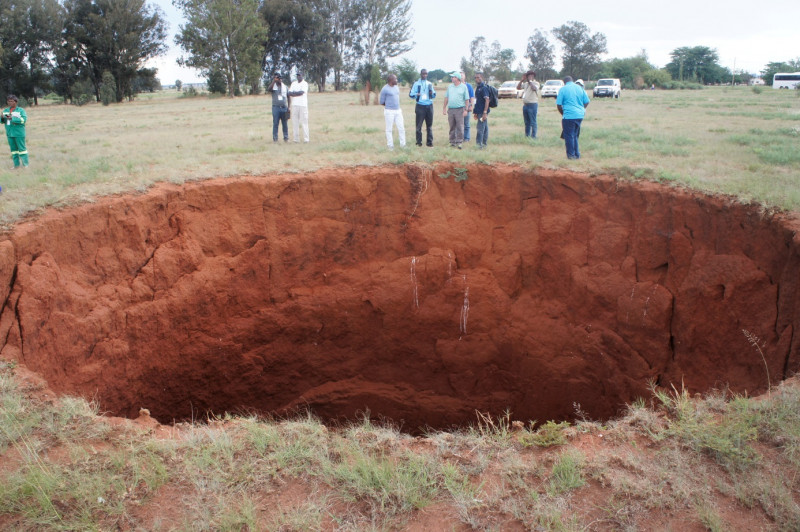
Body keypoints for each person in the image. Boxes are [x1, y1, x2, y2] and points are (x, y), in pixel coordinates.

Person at [556, 76, 590, 160]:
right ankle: (577, 155)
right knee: (574, 135)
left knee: (569, 136)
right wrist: (581, 109)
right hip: (579, 115)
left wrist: (564, 114)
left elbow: (559, 105)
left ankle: (571, 156)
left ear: (564, 82)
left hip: (569, 116)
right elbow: (587, 101)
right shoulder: (579, 88)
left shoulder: (563, 89)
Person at [408, 68, 436, 147]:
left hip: (429, 105)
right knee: (418, 126)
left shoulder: (429, 83)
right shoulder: (416, 83)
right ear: (420, 74)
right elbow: (411, 94)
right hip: (420, 106)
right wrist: (417, 94)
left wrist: (431, 93)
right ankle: (418, 142)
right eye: (423, 74)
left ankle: (429, 142)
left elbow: (434, 95)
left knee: (429, 125)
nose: (424, 75)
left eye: (426, 74)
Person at [442, 72, 469, 149]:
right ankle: (452, 142)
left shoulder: (463, 87)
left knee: (460, 126)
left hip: (460, 109)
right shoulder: (450, 87)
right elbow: (446, 97)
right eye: (452, 77)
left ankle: (459, 142)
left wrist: (466, 109)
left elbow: (467, 99)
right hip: (451, 109)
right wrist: (444, 108)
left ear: (457, 78)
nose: (452, 78)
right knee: (452, 126)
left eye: (453, 77)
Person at [378, 74, 406, 150]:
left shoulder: (396, 87)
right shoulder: (385, 89)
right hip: (389, 111)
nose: (397, 80)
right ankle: (390, 146)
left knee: (401, 128)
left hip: (398, 110)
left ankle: (403, 145)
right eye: (395, 79)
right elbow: (381, 102)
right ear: (391, 80)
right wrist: (389, 106)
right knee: (389, 129)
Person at [2, 95, 28, 169]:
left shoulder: (21, 110)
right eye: (8, 101)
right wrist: (1, 118)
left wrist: (12, 118)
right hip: (10, 133)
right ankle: (16, 165)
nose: (10, 103)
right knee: (14, 151)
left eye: (12, 101)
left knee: (22, 150)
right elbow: (3, 121)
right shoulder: (5, 111)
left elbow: (23, 120)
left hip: (19, 133)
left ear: (15, 102)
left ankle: (25, 165)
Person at [517, 70, 540, 138]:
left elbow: (534, 89)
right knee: (527, 122)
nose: (529, 77)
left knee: (533, 122)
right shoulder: (526, 84)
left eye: (531, 75)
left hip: (532, 105)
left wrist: (530, 81)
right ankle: (527, 136)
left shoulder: (536, 83)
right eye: (528, 76)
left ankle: (534, 136)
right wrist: (522, 80)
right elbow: (518, 87)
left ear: (533, 76)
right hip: (526, 105)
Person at [288, 72, 309, 143]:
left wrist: (294, 94)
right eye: (297, 75)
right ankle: (296, 139)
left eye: (300, 75)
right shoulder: (293, 83)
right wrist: (296, 94)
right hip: (294, 105)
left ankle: (306, 139)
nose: (298, 77)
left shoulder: (305, 83)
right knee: (295, 122)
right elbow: (289, 93)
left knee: (304, 122)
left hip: (303, 105)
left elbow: (302, 92)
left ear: (302, 76)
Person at [267, 73, 289, 143]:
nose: (279, 80)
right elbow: (269, 89)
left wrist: (289, 107)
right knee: (275, 123)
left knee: (285, 124)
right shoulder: (273, 87)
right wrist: (274, 81)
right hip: (276, 108)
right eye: (278, 78)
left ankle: (286, 138)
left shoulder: (285, 87)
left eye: (280, 78)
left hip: (284, 107)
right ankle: (275, 139)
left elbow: (288, 97)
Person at [473, 72, 491, 149]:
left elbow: (487, 100)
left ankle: (479, 145)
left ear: (482, 78)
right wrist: (475, 111)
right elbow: (477, 100)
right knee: (485, 128)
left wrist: (485, 112)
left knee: (480, 129)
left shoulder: (484, 88)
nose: (477, 79)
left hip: (483, 111)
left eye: (478, 77)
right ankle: (484, 144)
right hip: (479, 111)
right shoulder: (478, 88)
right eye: (476, 77)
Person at [461, 71, 475, 142]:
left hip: (467, 106)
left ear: (465, 76)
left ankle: (466, 138)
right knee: (459, 123)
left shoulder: (468, 86)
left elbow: (472, 96)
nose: (461, 76)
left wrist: (471, 105)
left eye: (462, 75)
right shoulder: (456, 85)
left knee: (466, 123)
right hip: (459, 106)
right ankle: (459, 137)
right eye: (459, 75)